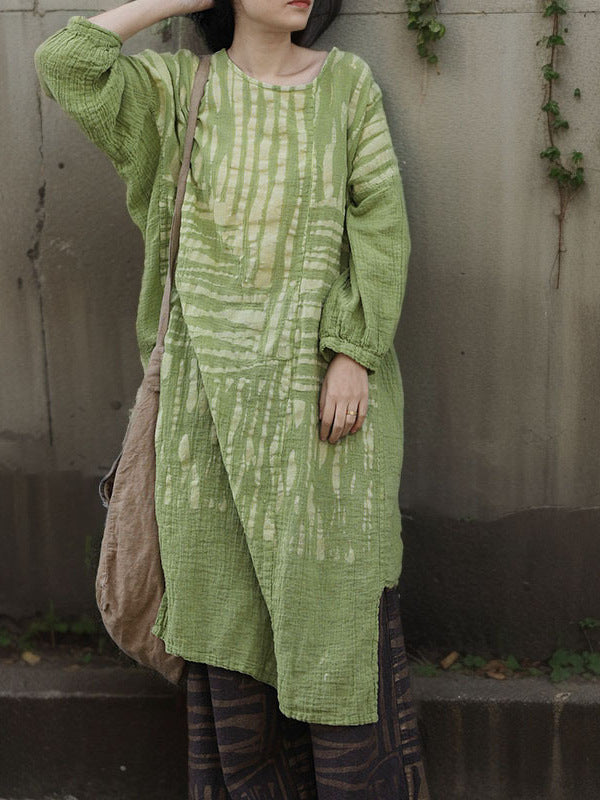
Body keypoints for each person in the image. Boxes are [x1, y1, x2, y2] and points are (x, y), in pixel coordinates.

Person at [34, 0, 430, 796]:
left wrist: (352, 352)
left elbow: (381, 225)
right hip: (204, 426)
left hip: (327, 427)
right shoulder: (177, 93)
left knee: (337, 629)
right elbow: (66, 64)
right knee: (229, 634)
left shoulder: (347, 87)